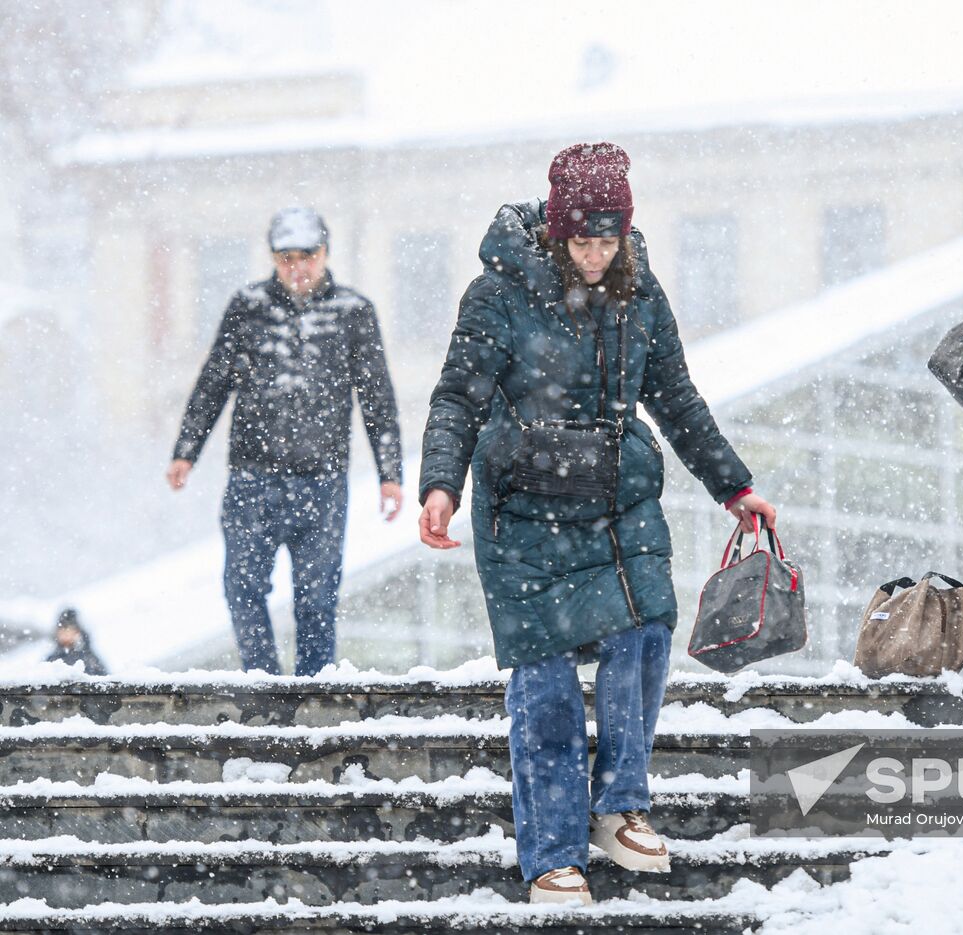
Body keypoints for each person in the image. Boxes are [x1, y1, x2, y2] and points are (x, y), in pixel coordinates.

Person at [418, 142, 776, 905]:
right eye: (580, 238)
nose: (593, 253)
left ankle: (619, 806)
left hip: (617, 501)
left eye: (606, 238)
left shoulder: (641, 295)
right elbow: (458, 397)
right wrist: (441, 485)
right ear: (555, 232)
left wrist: (733, 485)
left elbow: (676, 397)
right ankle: (552, 851)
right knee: (545, 679)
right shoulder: (498, 294)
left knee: (645, 629)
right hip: (523, 508)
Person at [166, 207, 403, 677]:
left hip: (323, 480)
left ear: (325, 253)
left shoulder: (354, 312)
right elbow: (214, 380)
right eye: (286, 257)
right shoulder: (248, 307)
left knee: (317, 595)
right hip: (253, 477)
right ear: (273, 259)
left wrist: (390, 475)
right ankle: (263, 684)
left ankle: (314, 691)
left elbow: (377, 396)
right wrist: (185, 450)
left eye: (307, 256)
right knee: (242, 586)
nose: (297, 267)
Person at [45, 608, 108, 675]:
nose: (65, 634)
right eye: (62, 629)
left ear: (77, 632)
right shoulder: (51, 660)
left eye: (69, 629)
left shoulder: (90, 660)